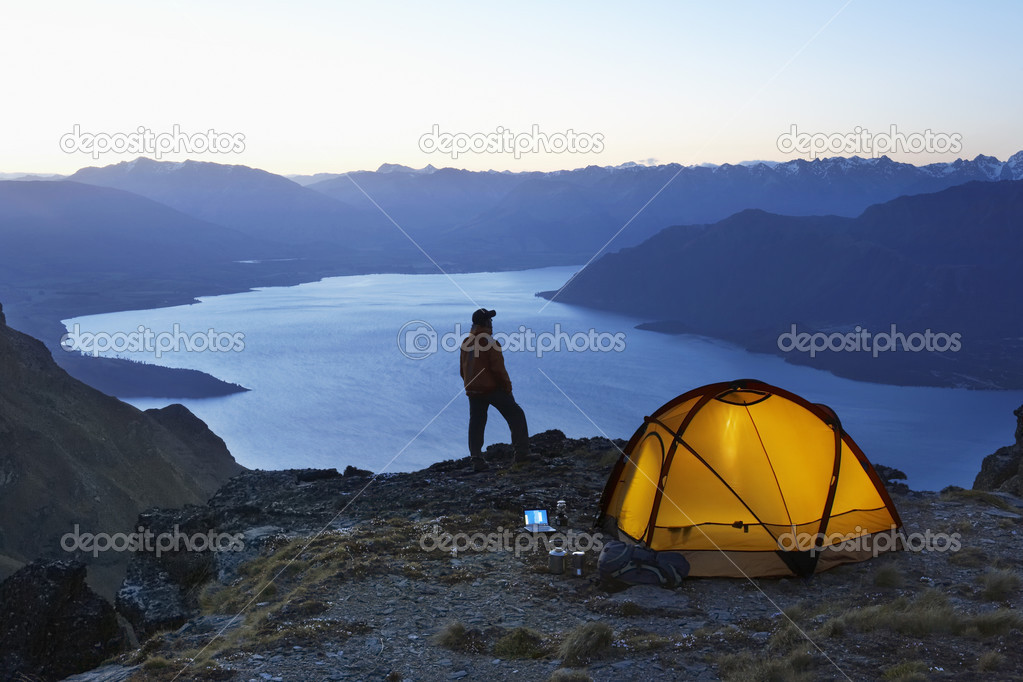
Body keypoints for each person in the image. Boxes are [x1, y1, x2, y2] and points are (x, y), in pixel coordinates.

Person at [460, 308, 531, 471]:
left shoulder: (466, 342)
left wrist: (470, 384)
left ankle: (476, 459)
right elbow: (499, 370)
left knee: (476, 423)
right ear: (484, 322)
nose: (492, 322)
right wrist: (507, 389)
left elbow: (462, 370)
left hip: (472, 390)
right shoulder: (490, 342)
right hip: (490, 389)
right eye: (490, 320)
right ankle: (521, 454)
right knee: (516, 414)